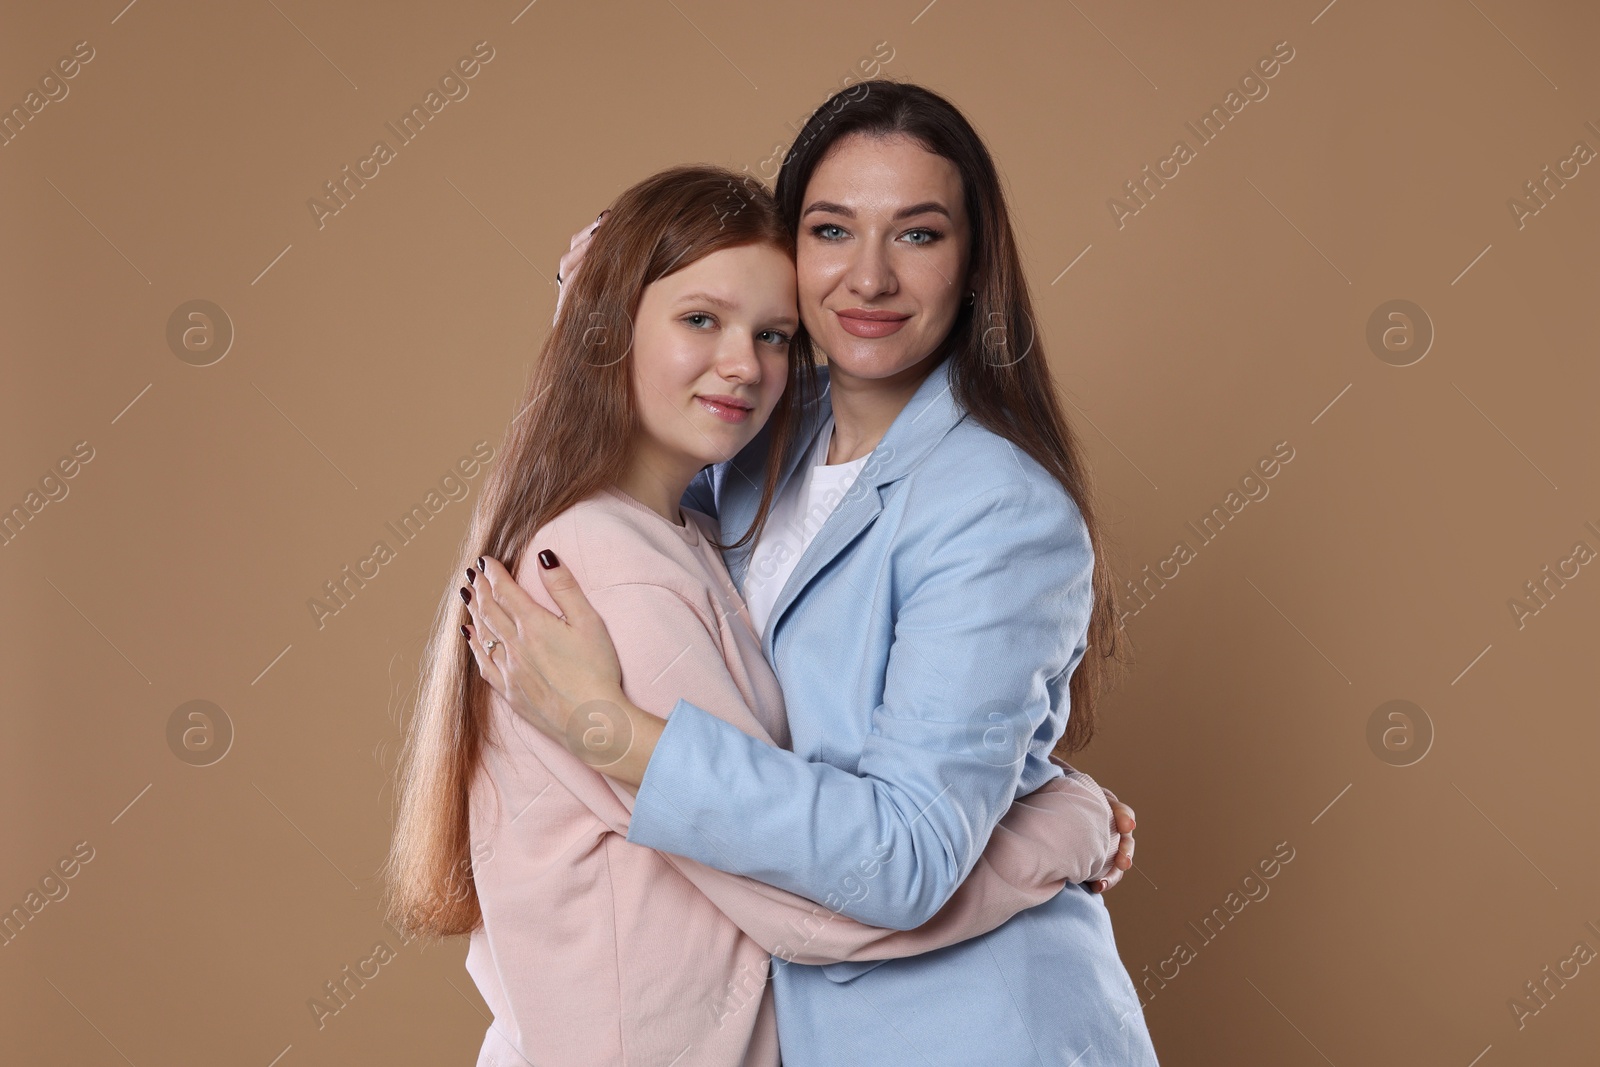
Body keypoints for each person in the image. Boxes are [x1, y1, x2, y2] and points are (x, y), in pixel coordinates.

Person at [467, 82, 1161, 1064]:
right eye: (832, 230)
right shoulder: (749, 453)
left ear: (973, 267)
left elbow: (908, 853)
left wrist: (619, 734)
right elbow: (635, 338)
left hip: (975, 1033)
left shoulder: (999, 504)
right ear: (791, 251)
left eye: (917, 235)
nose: (868, 277)